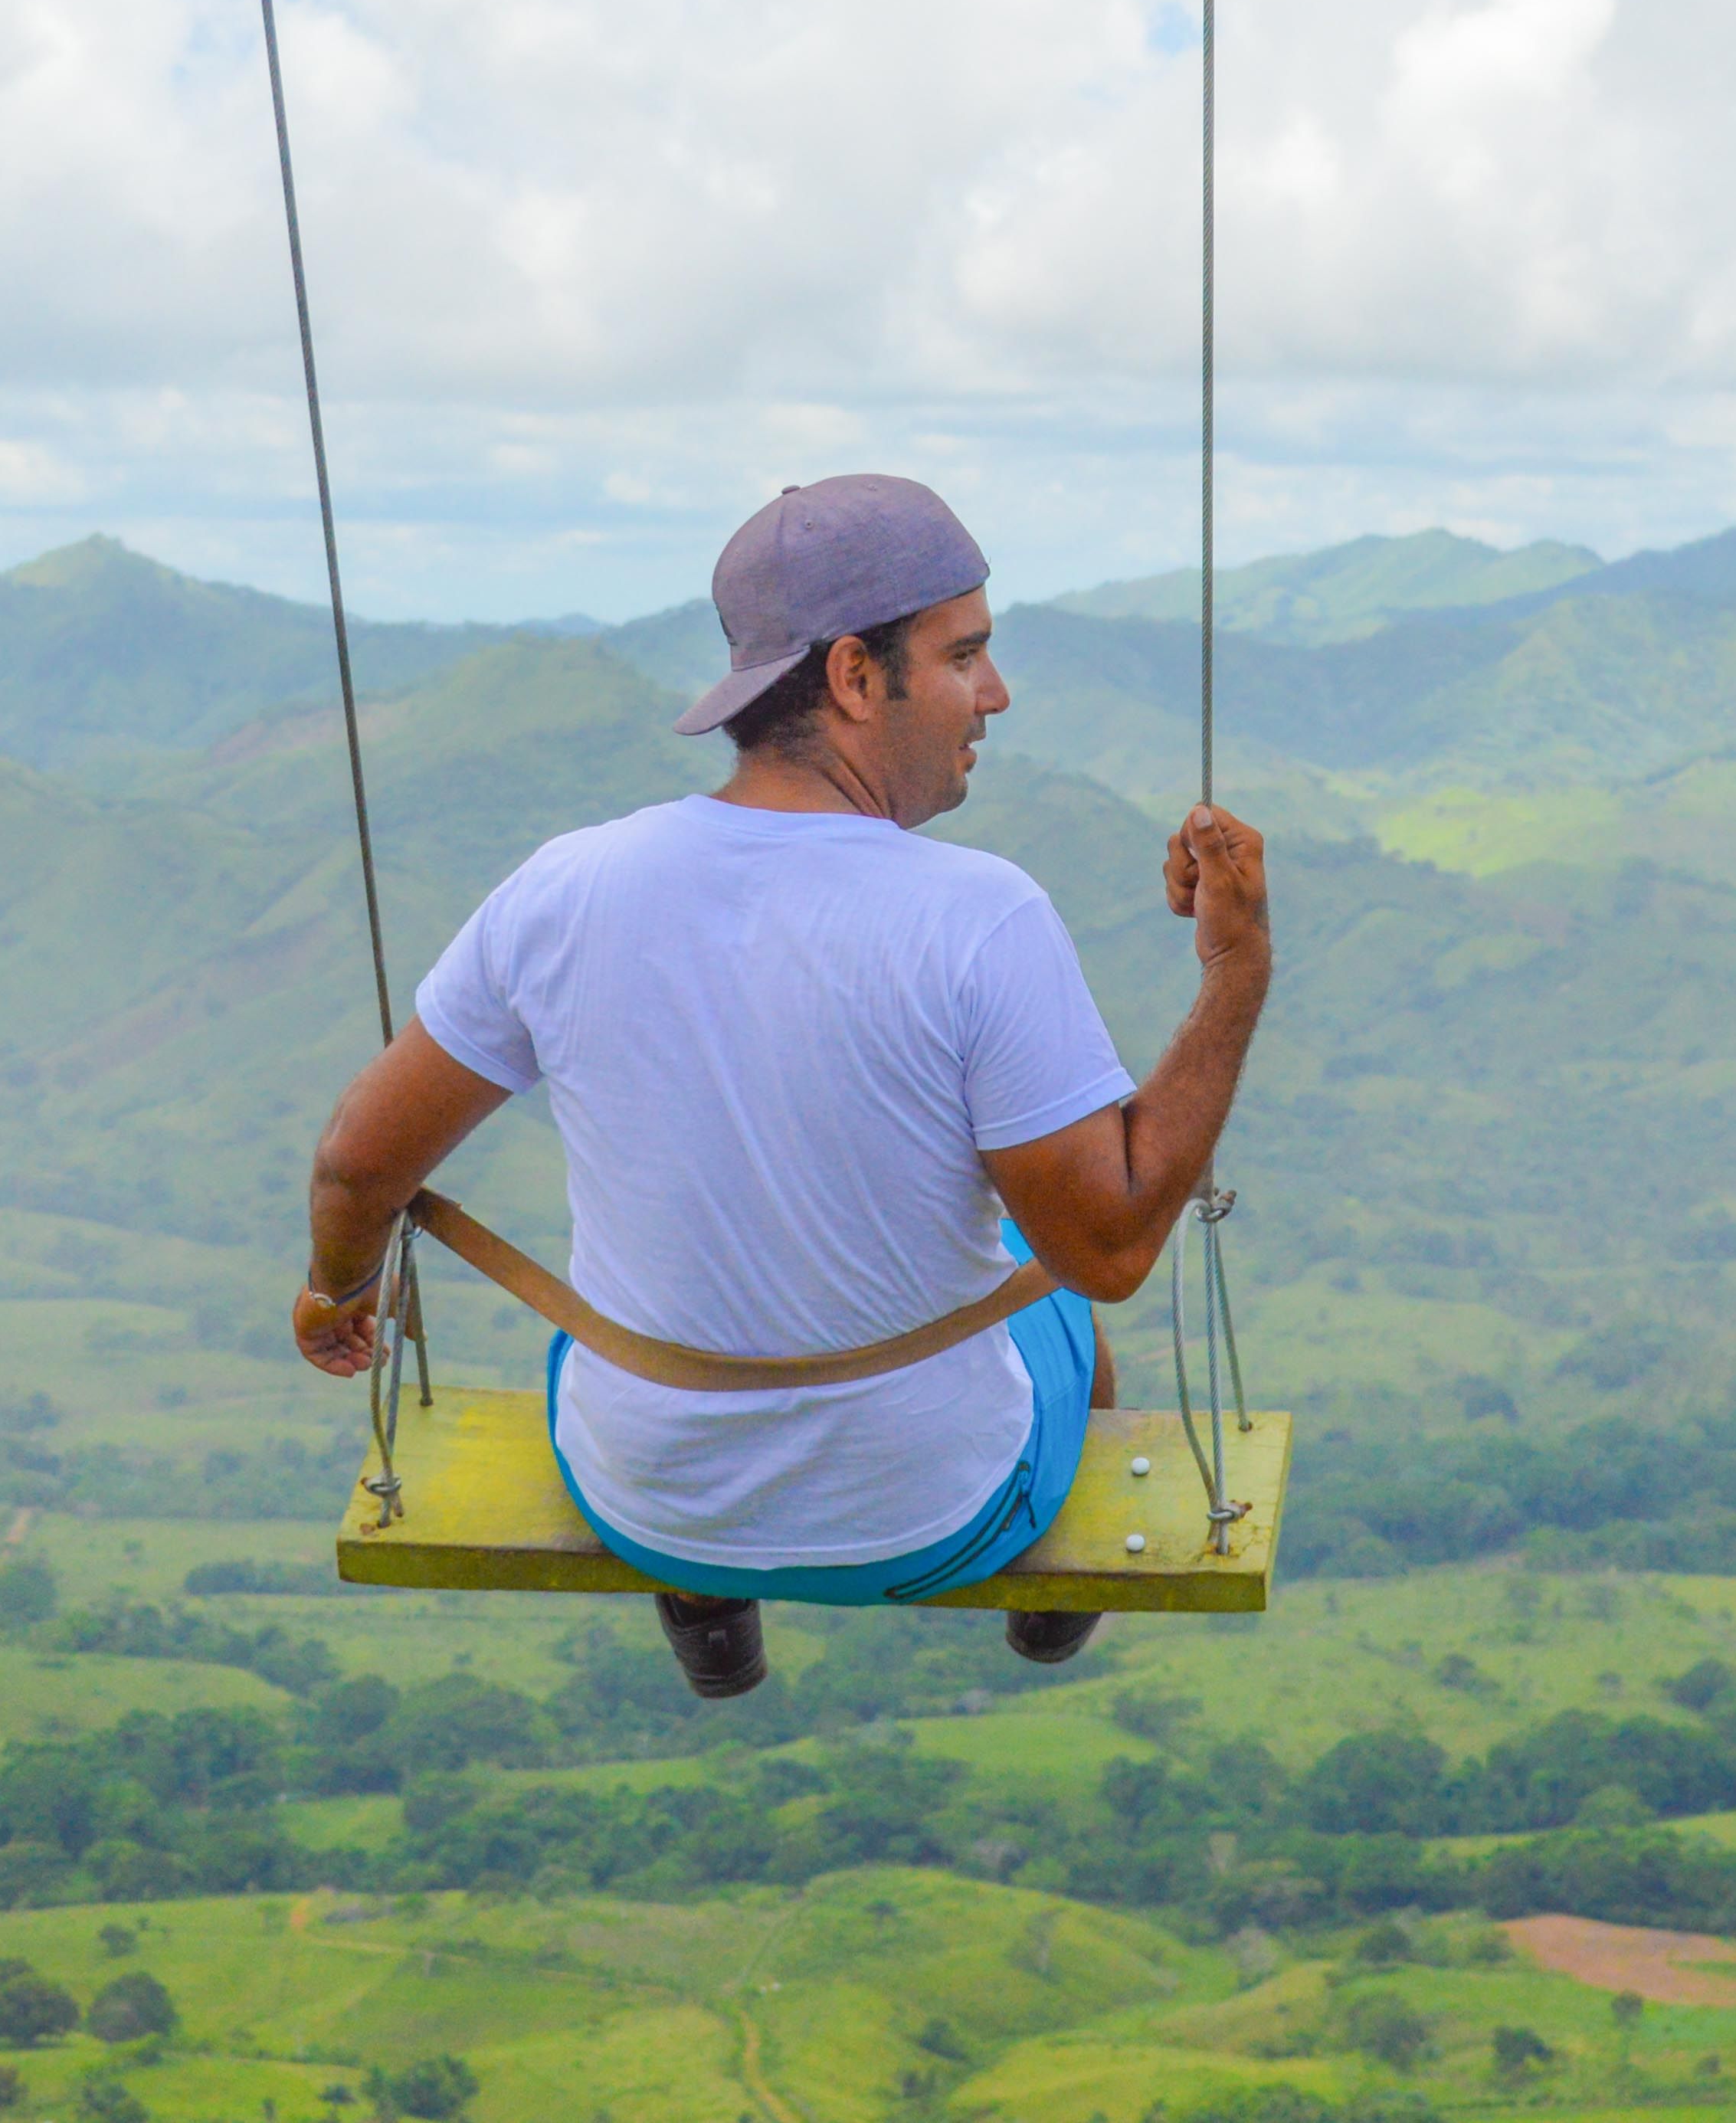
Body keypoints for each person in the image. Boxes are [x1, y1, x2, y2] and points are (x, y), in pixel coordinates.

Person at [293, 473, 1272, 1696]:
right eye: (965, 655)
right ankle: (1049, 1611)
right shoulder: (980, 915)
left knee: (621, 1331)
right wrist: (1235, 969)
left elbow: (358, 1164)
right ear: (859, 676)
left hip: (644, 1501)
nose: (996, 694)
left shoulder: (564, 886)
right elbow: (1112, 1251)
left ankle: (707, 1608)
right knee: (1060, 1298)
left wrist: (338, 1290)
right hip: (937, 1516)